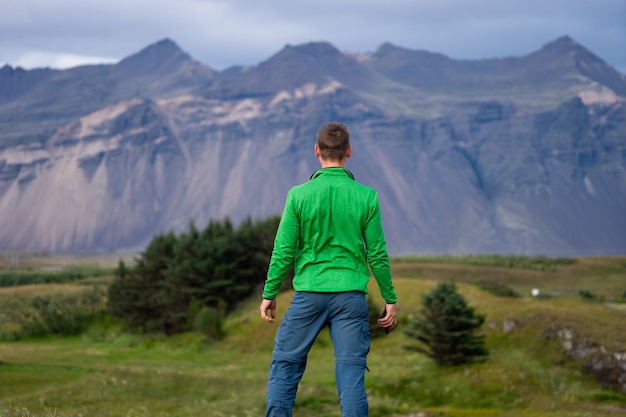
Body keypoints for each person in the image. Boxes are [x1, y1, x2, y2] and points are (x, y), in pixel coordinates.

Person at [259, 121, 398, 417]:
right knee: (351, 374)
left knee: (285, 364)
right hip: (350, 297)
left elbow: (283, 250)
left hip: (309, 294)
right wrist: (390, 299)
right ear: (349, 151)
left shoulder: (298, 195)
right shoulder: (367, 196)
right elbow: (377, 253)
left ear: (316, 151)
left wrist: (270, 292)